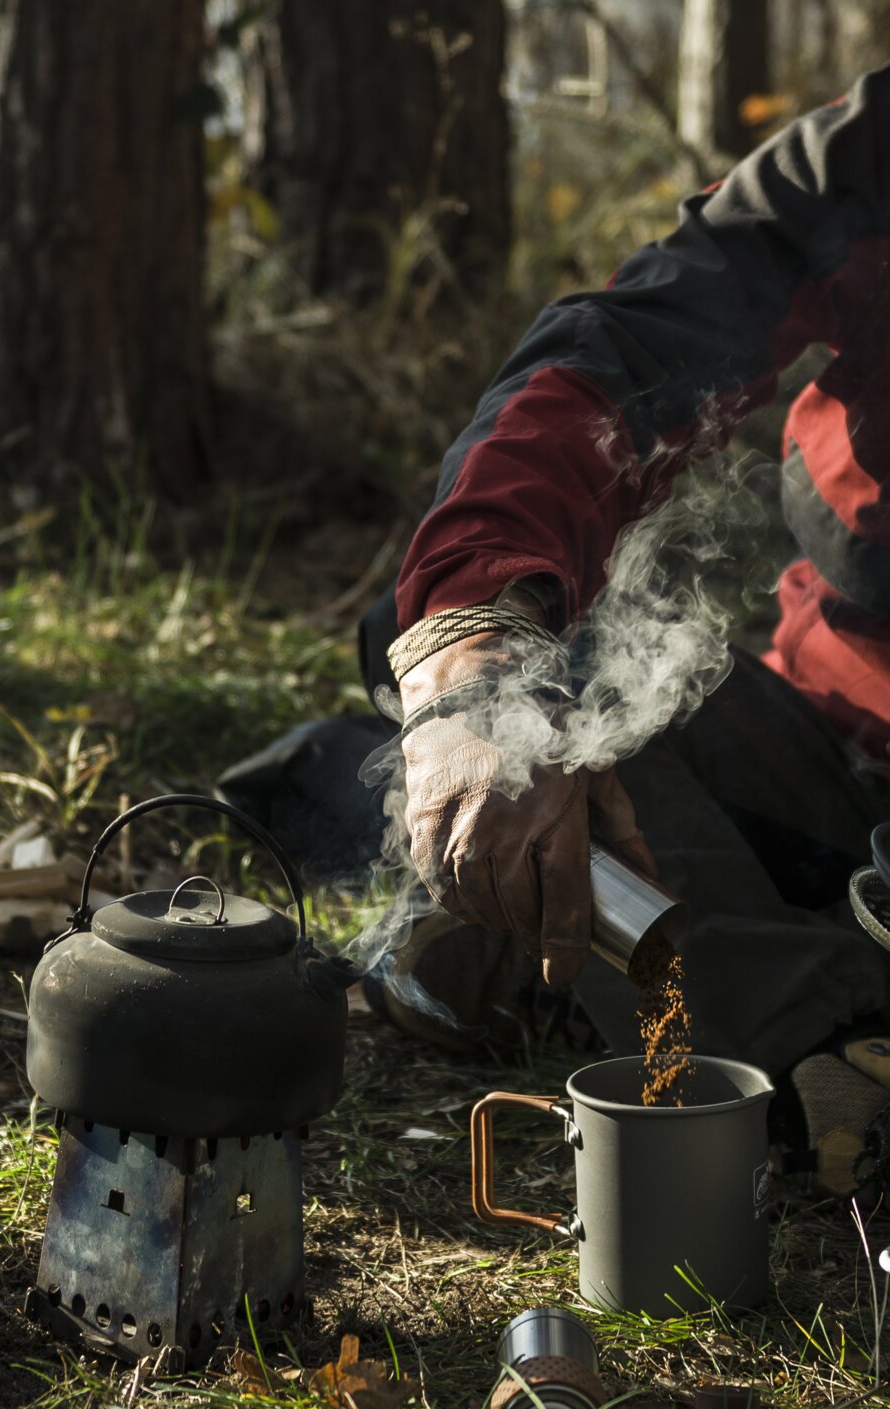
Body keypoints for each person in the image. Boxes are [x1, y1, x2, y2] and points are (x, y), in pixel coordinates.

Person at [358, 64, 890, 1197]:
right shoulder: (865, 160)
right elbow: (623, 357)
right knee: (527, 662)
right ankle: (791, 1026)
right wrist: (477, 666)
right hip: (829, 761)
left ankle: (760, 1019)